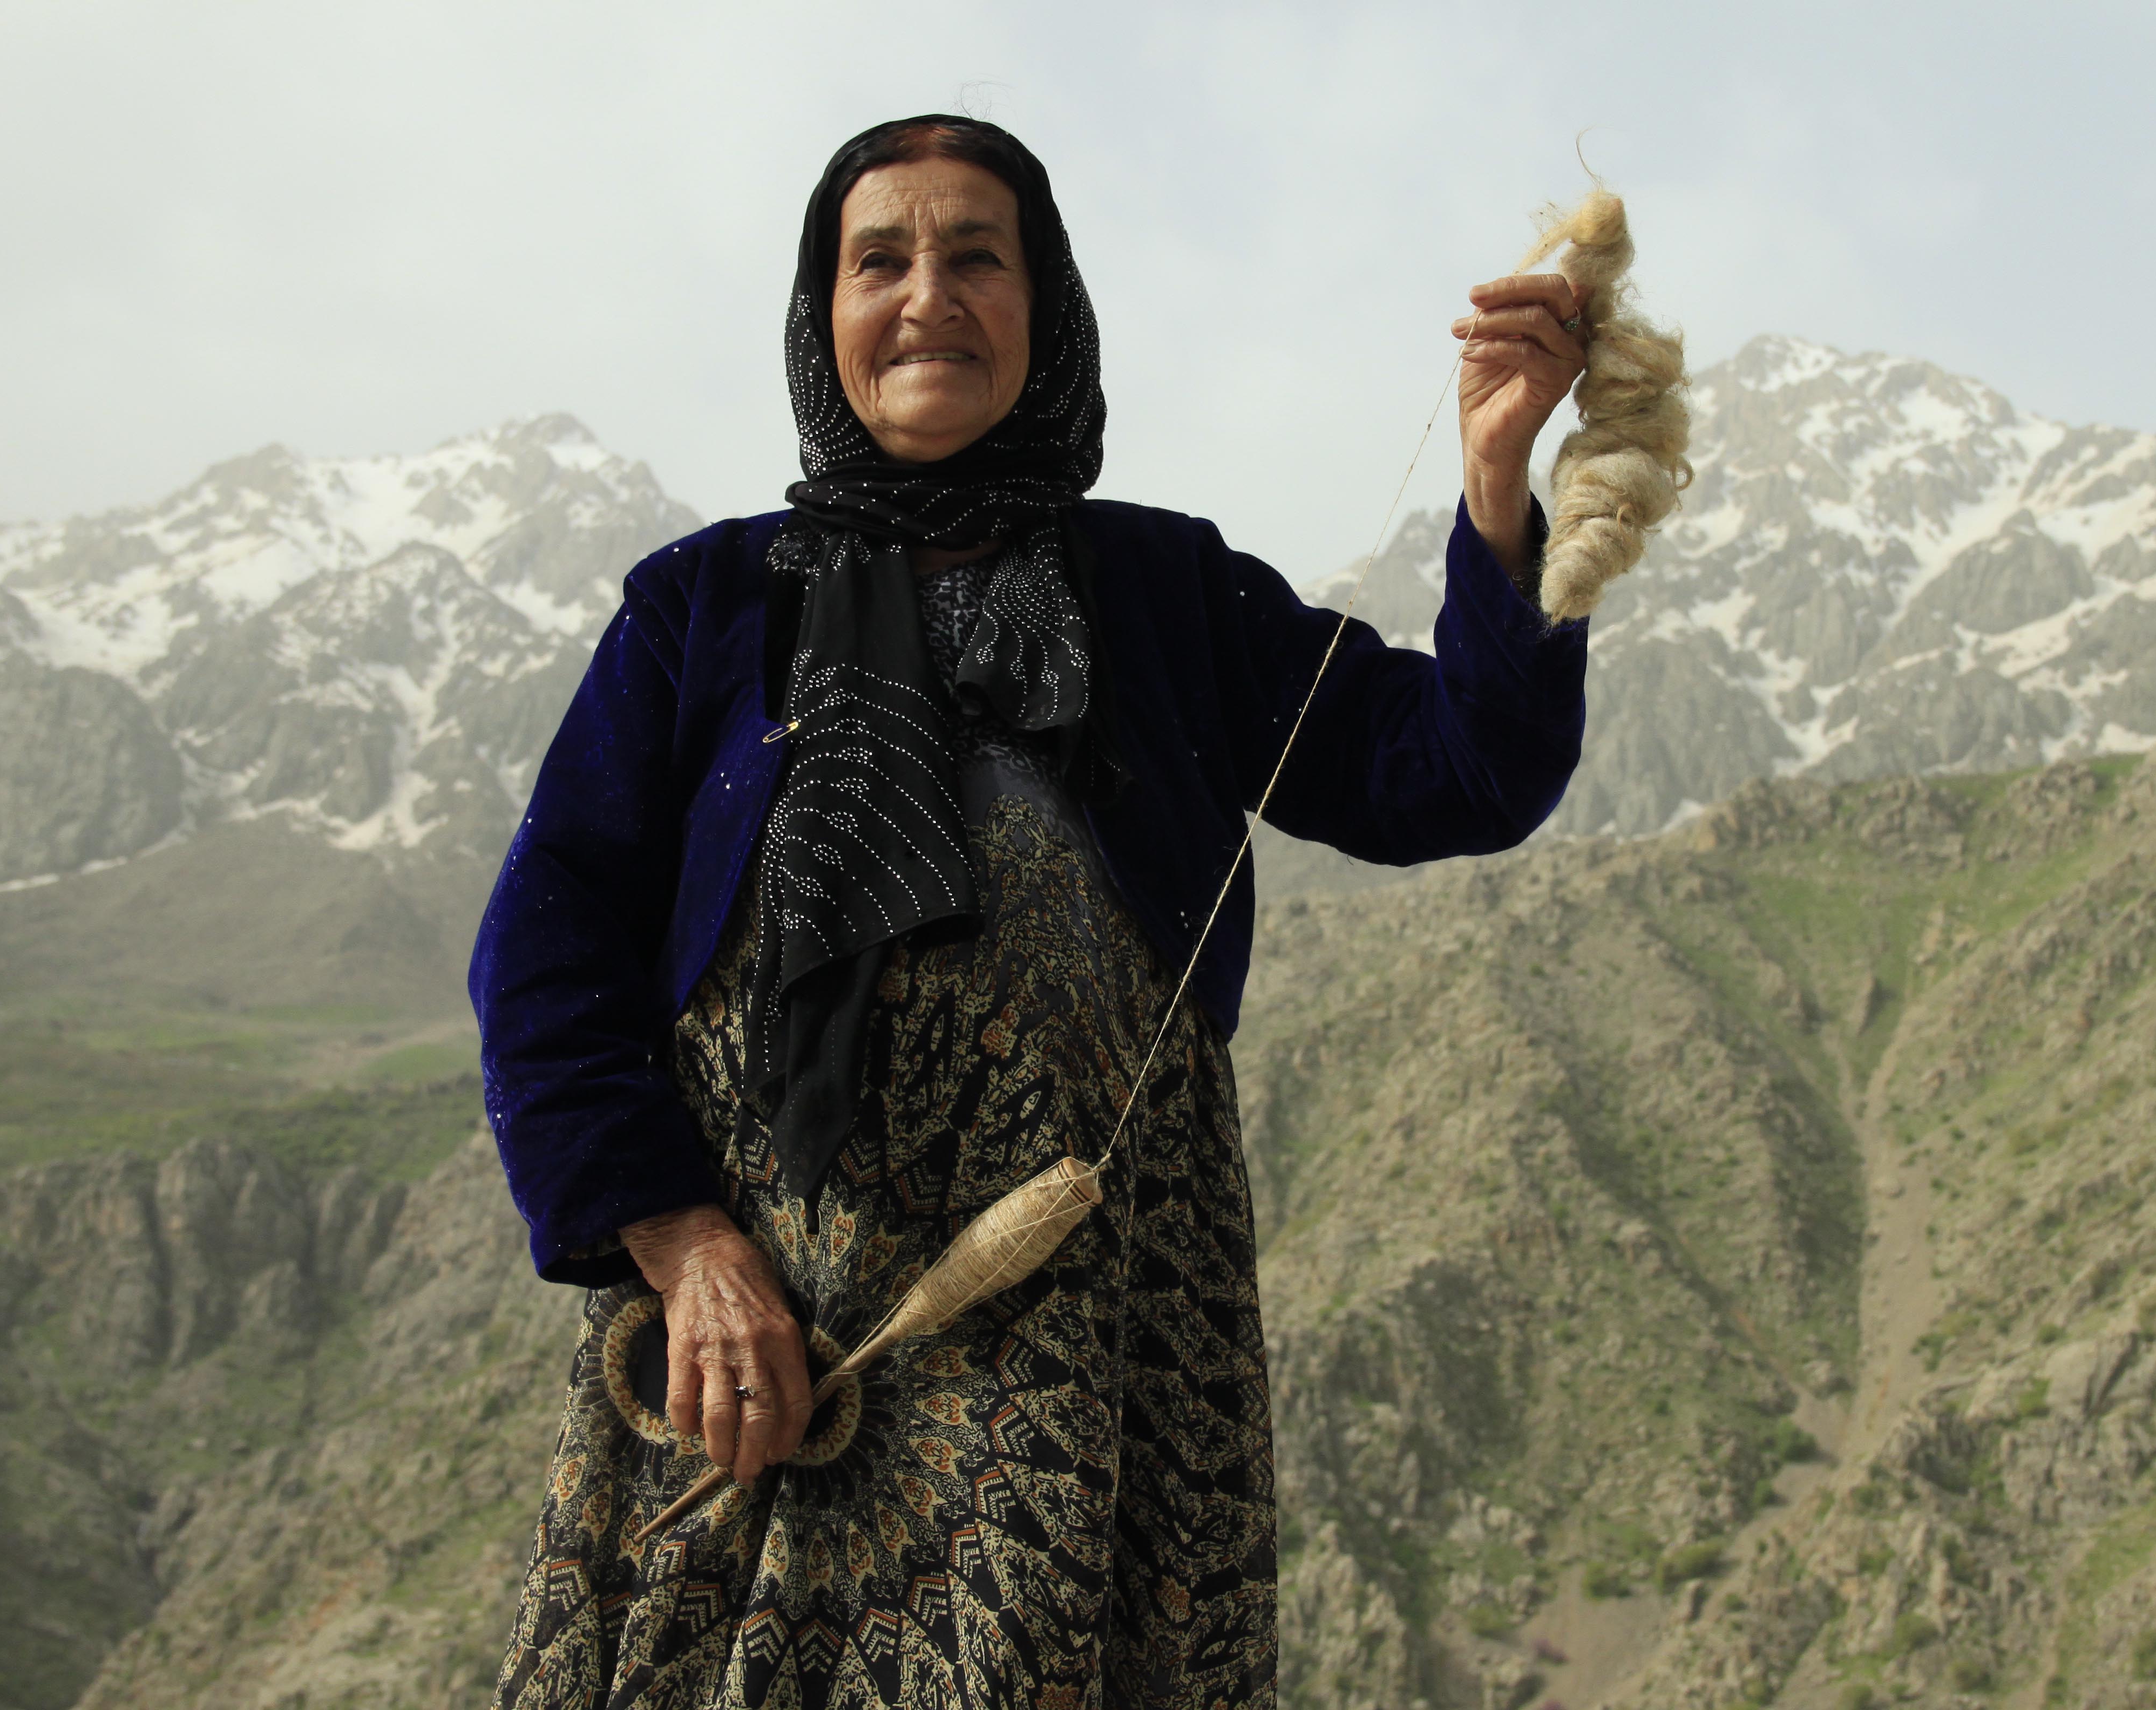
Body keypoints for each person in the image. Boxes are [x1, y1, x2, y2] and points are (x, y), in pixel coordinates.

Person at [473, 113, 1592, 1710]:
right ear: (826, 316)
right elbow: (550, 945)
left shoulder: (1165, 594)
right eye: (882, 261)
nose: (928, 294)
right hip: (767, 1353)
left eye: (976, 257)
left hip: (1108, 1340)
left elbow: (1458, 773)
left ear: (1044, 311)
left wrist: (1495, 478)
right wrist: (687, 1245)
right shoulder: (703, 605)